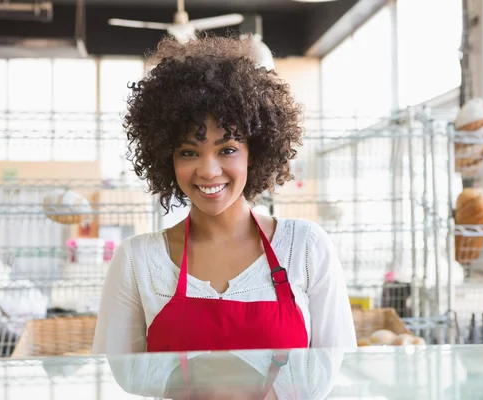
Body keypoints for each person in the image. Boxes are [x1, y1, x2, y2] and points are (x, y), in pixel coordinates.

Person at [92, 34, 356, 359]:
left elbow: (339, 373)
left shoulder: (305, 247)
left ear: (255, 152)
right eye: (189, 152)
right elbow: (111, 380)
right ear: (166, 158)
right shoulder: (138, 261)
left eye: (227, 149)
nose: (209, 170)